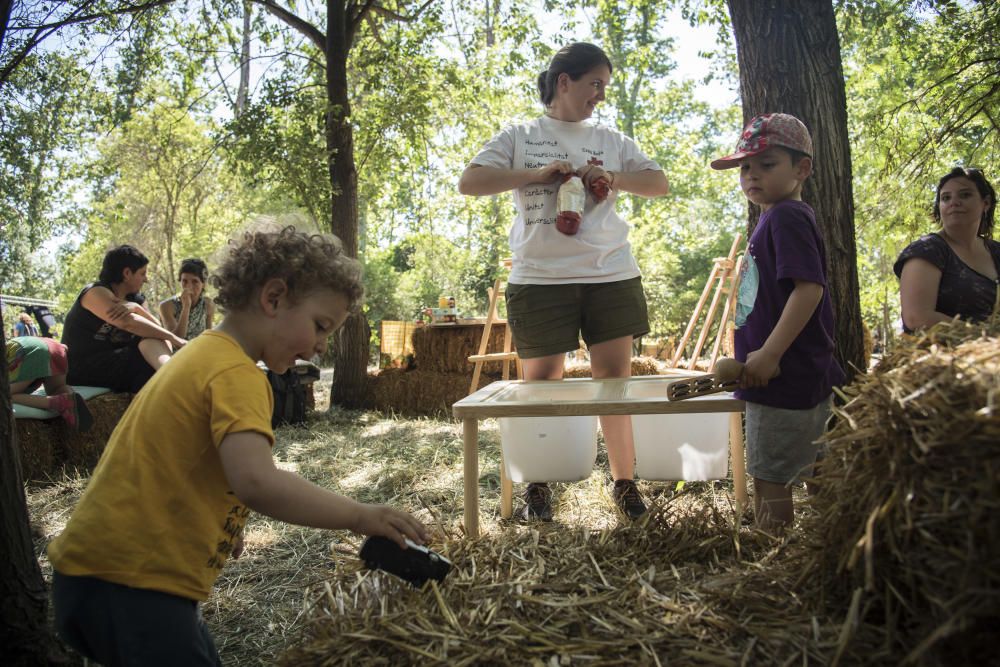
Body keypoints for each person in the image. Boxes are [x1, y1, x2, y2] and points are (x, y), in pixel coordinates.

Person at [49, 226, 427, 666]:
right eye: (320, 326)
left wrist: (225, 520)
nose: (321, 346)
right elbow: (256, 481)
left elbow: (188, 456)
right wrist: (363, 515)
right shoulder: (238, 373)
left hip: (98, 576)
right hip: (135, 584)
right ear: (273, 298)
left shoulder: (200, 354)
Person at [458, 42, 669, 522]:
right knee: (541, 388)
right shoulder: (520, 133)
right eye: (594, 83)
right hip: (539, 279)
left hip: (610, 274)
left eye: (604, 86)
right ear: (564, 81)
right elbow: (470, 181)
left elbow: (658, 183)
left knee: (614, 384)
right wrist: (535, 174)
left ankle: (625, 485)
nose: (600, 95)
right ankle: (538, 484)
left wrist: (609, 175)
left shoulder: (610, 138)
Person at [709, 112, 845, 533]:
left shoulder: (787, 216)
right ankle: (829, 548)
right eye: (745, 167)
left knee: (771, 478)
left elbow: (809, 289)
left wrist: (768, 353)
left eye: (767, 165)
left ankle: (773, 563)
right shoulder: (773, 217)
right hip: (792, 373)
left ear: (801, 169)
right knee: (818, 474)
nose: (751, 175)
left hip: (784, 377)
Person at [61, 245, 187, 393]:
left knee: (149, 344)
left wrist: (136, 307)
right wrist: (175, 339)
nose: (146, 279)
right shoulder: (95, 292)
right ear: (127, 273)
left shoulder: (136, 300)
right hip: (81, 367)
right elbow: (128, 323)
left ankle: (170, 376)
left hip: (115, 362)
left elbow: (156, 329)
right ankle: (171, 386)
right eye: (142, 273)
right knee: (142, 362)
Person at [894, 167, 998, 333]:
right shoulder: (927, 250)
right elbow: (917, 317)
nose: (954, 202)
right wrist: (983, 336)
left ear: (985, 203)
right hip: (942, 354)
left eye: (965, 195)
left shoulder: (996, 251)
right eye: (946, 198)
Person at [7, 336, 93, 431]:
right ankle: (71, 397)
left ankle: (60, 403)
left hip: (29, 351)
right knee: (57, 389)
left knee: (5, 396)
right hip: (55, 347)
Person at [159, 258, 215, 340]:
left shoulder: (208, 304)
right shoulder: (167, 306)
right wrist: (186, 307)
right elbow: (176, 340)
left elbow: (208, 338)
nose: (189, 287)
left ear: (203, 284)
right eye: (184, 281)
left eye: (195, 281)